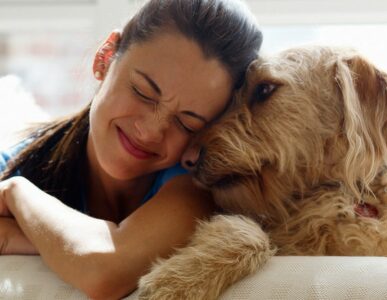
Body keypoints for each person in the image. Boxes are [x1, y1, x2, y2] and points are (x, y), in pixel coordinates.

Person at [0, 0, 262, 298]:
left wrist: (15, 194)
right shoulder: (15, 161)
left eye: (187, 123)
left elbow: (104, 271)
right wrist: (51, 245)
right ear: (105, 57)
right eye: (143, 92)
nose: (151, 132)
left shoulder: (195, 190)